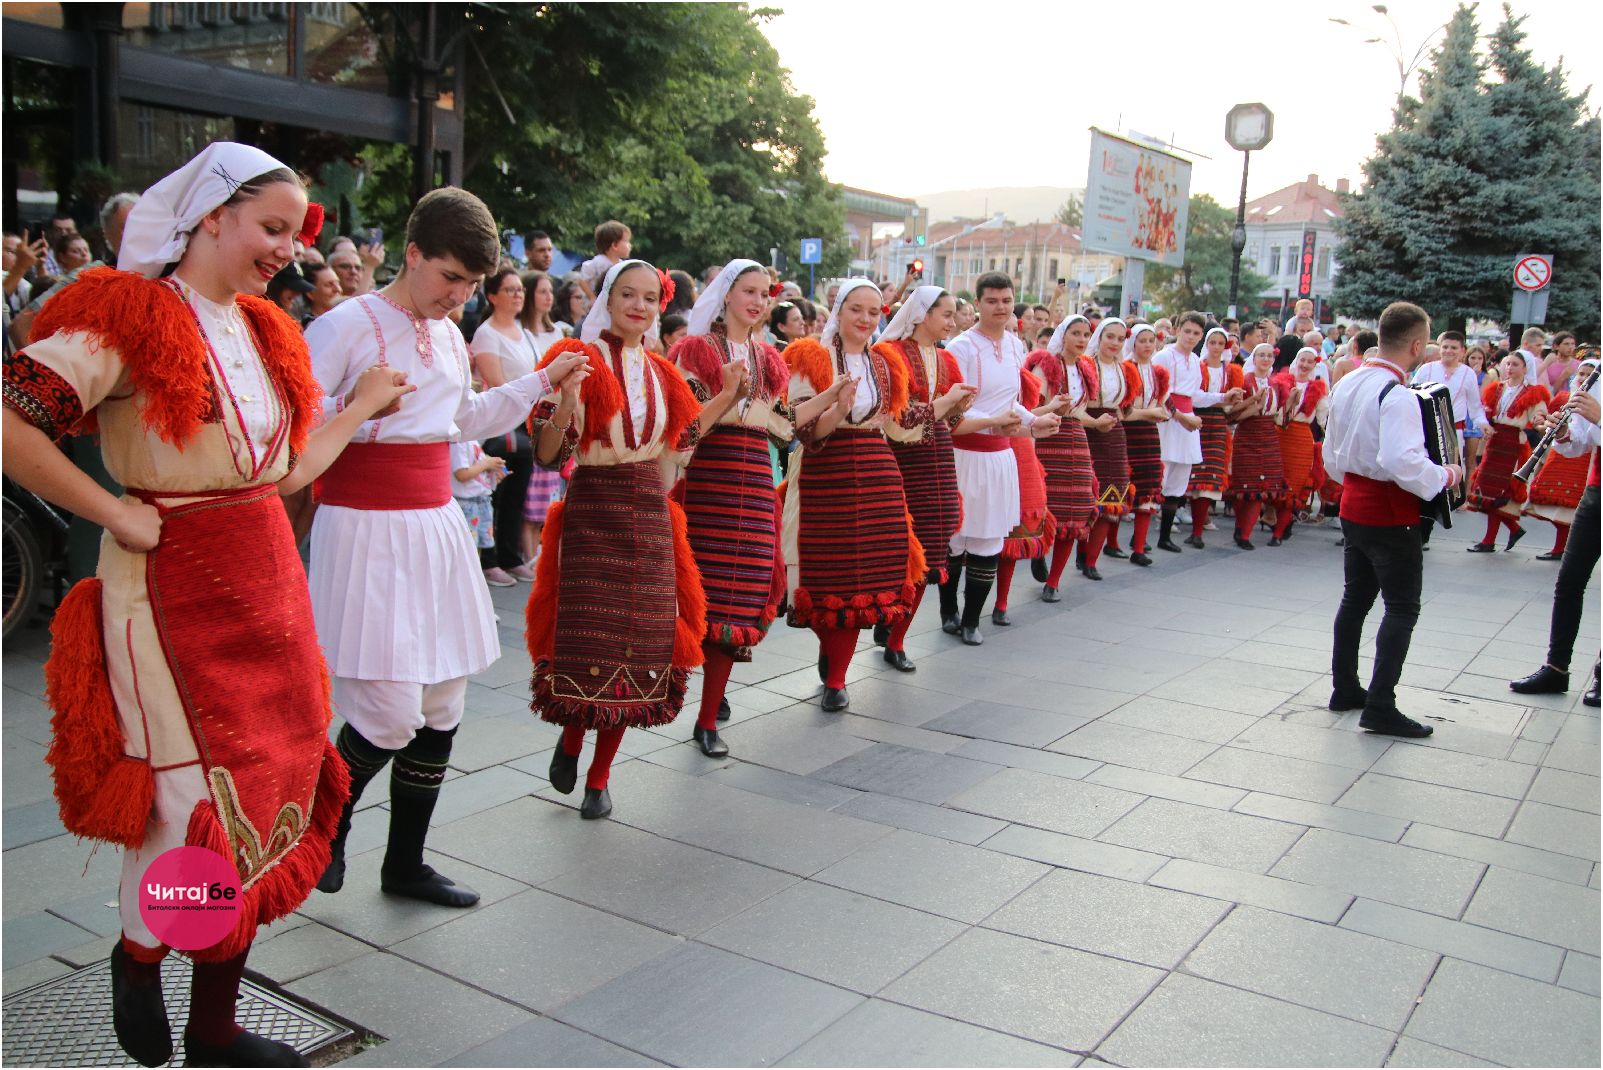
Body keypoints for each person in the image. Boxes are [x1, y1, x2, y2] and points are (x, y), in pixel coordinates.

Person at [1, 142, 414, 1068]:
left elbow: (286, 468)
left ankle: (214, 1028)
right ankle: (143, 952)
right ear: (210, 217)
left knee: (267, 787)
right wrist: (112, 510)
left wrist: (358, 407)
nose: (289, 248)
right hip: (170, 595)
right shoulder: (129, 317)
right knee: (193, 799)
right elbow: (8, 415)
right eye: (272, 227)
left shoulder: (266, 330)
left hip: (266, 583)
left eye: (295, 233)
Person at [307, 188, 586, 906]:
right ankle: (322, 829)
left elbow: (463, 417)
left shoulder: (448, 335)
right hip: (366, 521)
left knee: (441, 705)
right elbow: (294, 422)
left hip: (433, 523)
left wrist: (539, 380)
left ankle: (404, 865)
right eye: (449, 278)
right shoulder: (345, 324)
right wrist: (358, 404)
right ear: (411, 254)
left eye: (470, 284)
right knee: (387, 712)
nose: (458, 296)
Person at [527, 260, 703, 818]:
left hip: (648, 513)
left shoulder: (663, 371)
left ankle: (599, 780)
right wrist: (570, 404)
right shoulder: (572, 360)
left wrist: (726, 396)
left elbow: (689, 436)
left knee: (643, 645)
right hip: (593, 510)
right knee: (590, 642)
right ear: (607, 299)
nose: (639, 306)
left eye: (650, 298)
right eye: (628, 294)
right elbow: (548, 452)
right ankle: (574, 739)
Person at [669, 260, 801, 754]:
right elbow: (686, 429)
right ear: (725, 295)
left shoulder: (771, 359)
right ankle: (674, 697)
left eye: (765, 293)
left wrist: (828, 399)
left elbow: (785, 428)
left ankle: (708, 720)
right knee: (698, 592)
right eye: (749, 291)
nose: (759, 301)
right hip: (710, 479)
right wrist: (728, 395)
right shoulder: (696, 350)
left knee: (739, 596)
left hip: (756, 480)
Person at [1325, 301, 1463, 738]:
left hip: (1353, 504)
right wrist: (1447, 475)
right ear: (1418, 345)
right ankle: (1381, 705)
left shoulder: (1349, 381)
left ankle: (1345, 687)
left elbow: (1331, 454)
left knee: (1355, 599)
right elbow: (1402, 461)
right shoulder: (1397, 394)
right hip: (1389, 511)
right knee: (1401, 607)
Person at [781, 280, 921, 708]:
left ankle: (837, 676)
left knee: (867, 575)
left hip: (877, 475)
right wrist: (838, 411)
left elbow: (899, 423)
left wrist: (949, 407)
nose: (864, 319)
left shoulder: (885, 364)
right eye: (856, 309)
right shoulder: (810, 358)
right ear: (838, 311)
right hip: (826, 472)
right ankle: (833, 657)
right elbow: (800, 429)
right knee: (828, 572)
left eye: (873, 312)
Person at [939, 274, 1059, 644]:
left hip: (1000, 457)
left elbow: (1012, 403)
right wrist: (999, 421)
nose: (1001, 307)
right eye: (992, 301)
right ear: (977, 303)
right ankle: (948, 612)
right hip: (963, 454)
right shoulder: (960, 347)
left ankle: (973, 620)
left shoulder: (1013, 345)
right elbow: (951, 414)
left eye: (1007, 300)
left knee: (989, 539)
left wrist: (1034, 420)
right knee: (955, 538)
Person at [872, 286, 974, 666]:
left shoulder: (947, 359)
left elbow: (954, 420)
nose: (952, 322)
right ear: (921, 314)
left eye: (953, 315)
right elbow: (894, 418)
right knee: (891, 551)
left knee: (930, 553)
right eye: (946, 314)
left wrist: (961, 406)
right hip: (896, 460)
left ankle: (897, 640)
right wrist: (944, 404)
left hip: (939, 462)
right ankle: (883, 618)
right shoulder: (889, 354)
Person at [1510, 365, 1601, 703]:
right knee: (1569, 581)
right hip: (1596, 491)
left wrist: (1601, 417)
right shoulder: (1598, 376)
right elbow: (1580, 444)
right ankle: (1556, 668)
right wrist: (1563, 435)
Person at [471, 268, 548, 582]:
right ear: (492, 296)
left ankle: (510, 555)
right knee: (494, 494)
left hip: (526, 420)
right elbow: (497, 381)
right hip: (500, 422)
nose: (518, 295)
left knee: (518, 493)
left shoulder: (525, 332)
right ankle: (489, 561)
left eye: (520, 289)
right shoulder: (487, 333)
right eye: (510, 290)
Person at [1025, 315, 1102, 589]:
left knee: (1076, 509)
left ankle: (1054, 582)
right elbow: (1032, 403)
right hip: (1049, 436)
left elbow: (1079, 411)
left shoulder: (1084, 368)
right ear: (1063, 335)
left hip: (1076, 440)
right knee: (1047, 506)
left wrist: (1095, 422)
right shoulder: (1046, 363)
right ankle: (1040, 550)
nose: (1082, 340)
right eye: (1076, 333)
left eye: (1085, 334)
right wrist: (1054, 408)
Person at [1466, 353, 1550, 552]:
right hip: (1495, 441)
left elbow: (1539, 413)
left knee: (1500, 492)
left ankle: (1489, 540)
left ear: (1525, 368)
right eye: (1507, 364)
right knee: (1487, 490)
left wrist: (1539, 420)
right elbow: (1486, 411)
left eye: (1515, 364)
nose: (1510, 368)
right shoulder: (1498, 388)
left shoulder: (1533, 392)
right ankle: (1512, 529)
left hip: (1513, 444)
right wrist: (1485, 424)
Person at [1076, 317, 1139, 580]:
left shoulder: (1125, 370)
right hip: (1087, 430)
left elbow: (1125, 410)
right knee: (1083, 499)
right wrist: (1094, 422)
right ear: (1099, 338)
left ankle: (1091, 559)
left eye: (1120, 338)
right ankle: (1081, 550)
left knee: (1111, 498)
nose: (1114, 343)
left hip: (1113, 434)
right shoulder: (1085, 365)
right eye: (1109, 337)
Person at [1523, 357, 1599, 560]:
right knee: (1571, 574)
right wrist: (1562, 431)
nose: (1584, 378)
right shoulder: (1579, 396)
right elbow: (1579, 442)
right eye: (1582, 373)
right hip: (1594, 487)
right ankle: (1560, 549)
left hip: (1589, 472)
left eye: (1589, 374)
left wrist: (1600, 419)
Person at [1151, 311, 1209, 553]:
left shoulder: (1196, 361)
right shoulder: (1164, 356)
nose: (1191, 337)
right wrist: (1180, 416)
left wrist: (1224, 397)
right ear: (1177, 330)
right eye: (1187, 331)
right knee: (1158, 478)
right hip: (1168, 420)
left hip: (1187, 424)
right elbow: (1159, 391)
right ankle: (1140, 537)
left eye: (1196, 333)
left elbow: (1195, 395)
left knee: (1178, 482)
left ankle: (1165, 536)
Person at [1184, 326, 1245, 549]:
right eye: (1213, 343)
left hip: (1218, 424)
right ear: (1207, 345)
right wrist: (1221, 398)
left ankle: (1198, 530)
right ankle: (1191, 525)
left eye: (1221, 344)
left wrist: (1221, 401)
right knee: (1192, 474)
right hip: (1198, 421)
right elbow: (1195, 398)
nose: (1217, 348)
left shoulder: (1232, 371)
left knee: (1209, 479)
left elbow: (1232, 404)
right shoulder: (1198, 368)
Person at [1225, 343, 1290, 548]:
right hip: (1247, 434)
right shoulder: (1245, 381)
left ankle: (1244, 533)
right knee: (1244, 486)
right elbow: (1232, 415)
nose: (1266, 359)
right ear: (1253, 359)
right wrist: (1254, 406)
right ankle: (1240, 527)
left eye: (1269, 356)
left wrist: (1291, 404)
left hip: (1268, 436)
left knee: (1263, 489)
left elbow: (1280, 419)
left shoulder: (1276, 383)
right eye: (1261, 355)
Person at [1119, 322, 1170, 564]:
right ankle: (1110, 543)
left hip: (1149, 434)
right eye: (1143, 340)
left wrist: (1157, 412)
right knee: (1121, 487)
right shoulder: (1126, 368)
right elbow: (1125, 411)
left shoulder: (1157, 372)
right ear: (1133, 343)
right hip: (1128, 432)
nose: (1148, 345)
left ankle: (1138, 548)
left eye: (1151, 340)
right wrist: (1152, 413)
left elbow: (1160, 403)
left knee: (1148, 488)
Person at [1269, 349, 1330, 545]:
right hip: (1280, 435)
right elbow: (1274, 412)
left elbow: (1323, 418)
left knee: (1294, 486)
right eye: (1302, 360)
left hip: (1302, 438)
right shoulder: (1282, 381)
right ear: (1296, 361)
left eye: (1310, 362)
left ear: (1315, 365)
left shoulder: (1318, 388)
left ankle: (1279, 532)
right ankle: (1279, 522)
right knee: (1276, 483)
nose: (1305, 365)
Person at [449, 437, 507, 582]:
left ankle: (471, 580)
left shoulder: (471, 440)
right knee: (468, 548)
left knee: (478, 546)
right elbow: (462, 474)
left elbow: (474, 472)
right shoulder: (459, 442)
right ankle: (465, 581)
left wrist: (492, 472)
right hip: (467, 503)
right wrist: (486, 463)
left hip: (480, 500)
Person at [577, 219, 631, 298]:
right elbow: (582, 281)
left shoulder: (621, 265)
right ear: (614, 245)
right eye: (626, 241)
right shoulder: (599, 262)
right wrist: (592, 297)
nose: (629, 245)